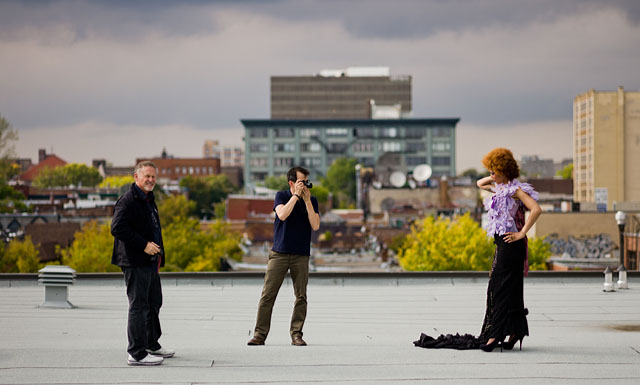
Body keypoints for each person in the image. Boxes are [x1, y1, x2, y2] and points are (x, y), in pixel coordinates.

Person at [413, 148, 541, 352]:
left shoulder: (515, 191)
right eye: (490, 170)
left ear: (503, 170)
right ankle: (516, 331)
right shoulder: (499, 189)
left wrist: (522, 233)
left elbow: (536, 209)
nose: (490, 175)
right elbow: (479, 183)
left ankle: (495, 334)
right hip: (501, 243)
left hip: (511, 244)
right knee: (511, 288)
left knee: (498, 288)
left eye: (493, 171)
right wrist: (494, 174)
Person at [247, 166, 320, 346]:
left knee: (301, 296)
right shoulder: (281, 196)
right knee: (268, 295)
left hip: (301, 254)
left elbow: (316, 225)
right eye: (301, 182)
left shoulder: (312, 200)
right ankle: (260, 334)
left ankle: (297, 334)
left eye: (306, 182)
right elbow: (282, 214)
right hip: (279, 253)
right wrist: (295, 196)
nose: (305, 185)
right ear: (291, 183)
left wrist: (308, 201)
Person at [111, 161, 175, 366]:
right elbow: (117, 228)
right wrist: (144, 245)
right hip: (135, 261)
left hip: (150, 262)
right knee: (138, 306)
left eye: (153, 177)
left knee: (154, 302)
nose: (150, 180)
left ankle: (151, 344)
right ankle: (136, 353)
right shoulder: (128, 200)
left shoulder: (147, 199)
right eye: (146, 176)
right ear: (136, 177)